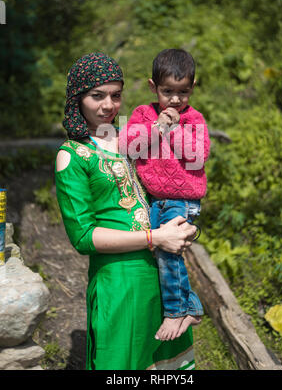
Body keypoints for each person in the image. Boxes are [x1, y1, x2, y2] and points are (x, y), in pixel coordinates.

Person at [55, 52, 197, 370]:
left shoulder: (127, 138)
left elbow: (168, 186)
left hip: (162, 275)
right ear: (78, 97)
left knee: (168, 366)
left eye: (116, 95)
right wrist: (156, 237)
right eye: (97, 96)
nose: (108, 106)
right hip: (120, 281)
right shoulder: (73, 155)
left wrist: (186, 226)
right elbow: (84, 237)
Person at [119, 49, 210, 342]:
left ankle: (175, 311)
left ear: (192, 88)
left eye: (182, 92)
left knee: (168, 250)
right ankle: (192, 305)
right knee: (155, 251)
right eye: (167, 91)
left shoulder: (194, 118)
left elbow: (198, 154)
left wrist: (172, 129)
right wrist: (158, 126)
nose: (174, 99)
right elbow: (128, 146)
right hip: (154, 199)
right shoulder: (143, 114)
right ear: (152, 87)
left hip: (183, 199)